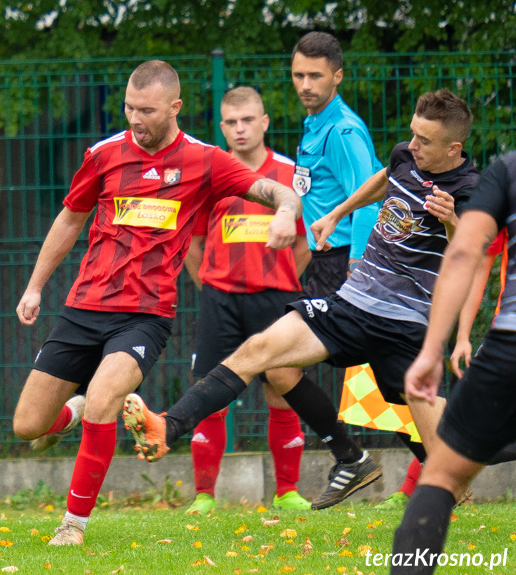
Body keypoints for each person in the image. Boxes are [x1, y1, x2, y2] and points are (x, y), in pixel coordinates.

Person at [123, 89, 477, 511]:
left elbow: (472, 259)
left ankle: (446, 478)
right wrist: (336, 212)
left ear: (454, 148)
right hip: (352, 304)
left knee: (443, 458)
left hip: (405, 324)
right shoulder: (406, 156)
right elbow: (385, 178)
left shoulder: (471, 190)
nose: (413, 145)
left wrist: (453, 222)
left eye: (425, 141)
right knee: (261, 352)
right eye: (413, 135)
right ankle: (167, 426)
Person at [13, 60, 302, 545]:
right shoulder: (104, 154)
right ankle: (75, 409)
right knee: (28, 426)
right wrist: (35, 286)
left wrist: (288, 212)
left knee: (108, 399)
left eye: (145, 110)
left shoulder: (204, 159)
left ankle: (73, 525)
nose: (134, 118)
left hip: (144, 316)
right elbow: (70, 219)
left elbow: (272, 189)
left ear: (175, 107)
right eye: (129, 107)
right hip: (83, 308)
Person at [182, 87, 311, 514]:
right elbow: (192, 242)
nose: (240, 129)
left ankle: (287, 491)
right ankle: (203, 496)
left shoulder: (290, 173)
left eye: (247, 120)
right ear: (221, 126)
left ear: (265, 121)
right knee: (210, 394)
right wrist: (212, 284)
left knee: (283, 389)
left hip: (276, 299)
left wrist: (282, 279)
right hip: (220, 300)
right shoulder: (211, 174)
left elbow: (306, 242)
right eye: (231, 122)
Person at [391, 156, 516, 575]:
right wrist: (462, 337)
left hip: (510, 343)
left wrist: (432, 349)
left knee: (441, 474)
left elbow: (464, 252)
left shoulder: (507, 171)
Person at [290, 30, 382, 296]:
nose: (305, 85)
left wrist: (357, 265)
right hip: (323, 260)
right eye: (299, 75)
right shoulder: (317, 123)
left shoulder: (342, 131)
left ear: (337, 77)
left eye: (315, 76)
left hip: (343, 262)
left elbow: (368, 199)